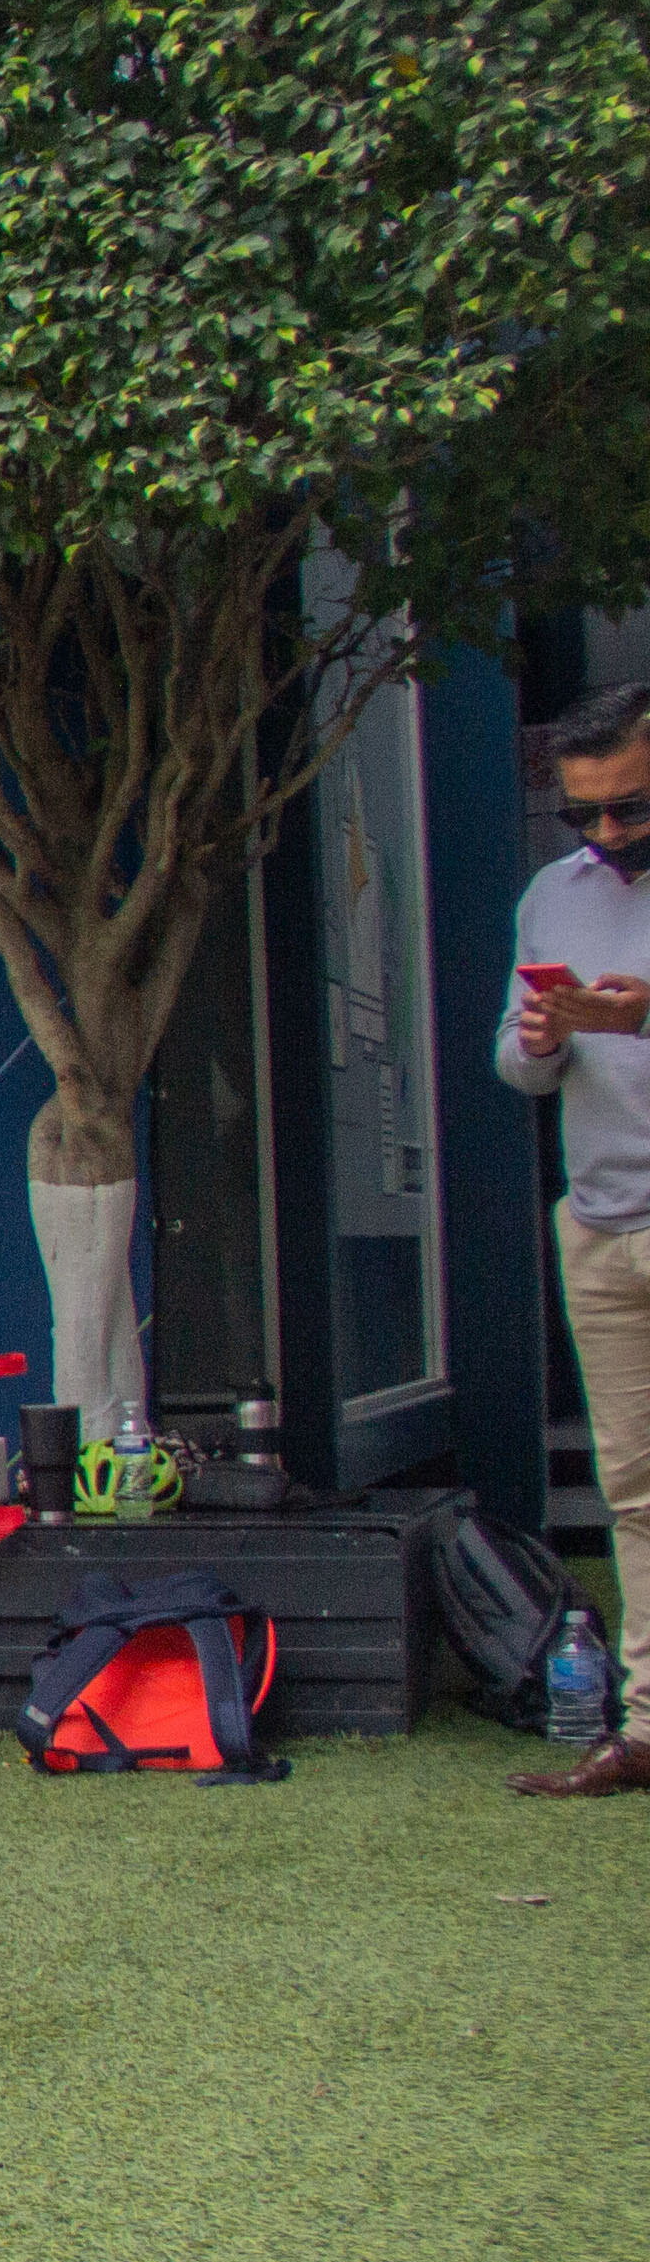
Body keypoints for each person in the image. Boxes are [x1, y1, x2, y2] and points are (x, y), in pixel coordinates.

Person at [505, 687, 650, 1800]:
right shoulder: (551, 898)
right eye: (585, 815)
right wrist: (548, 1038)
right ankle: (647, 1727)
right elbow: (518, 1068)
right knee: (636, 1490)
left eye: (632, 808)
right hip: (598, 1222)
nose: (607, 834)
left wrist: (636, 1017)